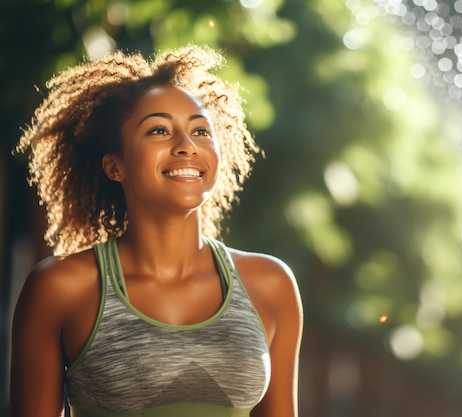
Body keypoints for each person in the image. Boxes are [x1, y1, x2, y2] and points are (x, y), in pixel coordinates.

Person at [10, 45, 303, 417]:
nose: (186, 146)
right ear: (115, 167)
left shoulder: (270, 284)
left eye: (200, 130)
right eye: (159, 130)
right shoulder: (61, 287)